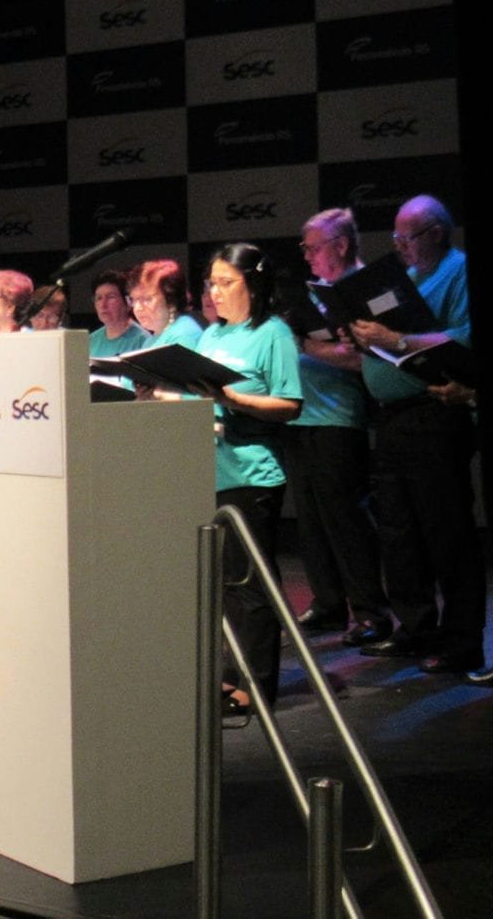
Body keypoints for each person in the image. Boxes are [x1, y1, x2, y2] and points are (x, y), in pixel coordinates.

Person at [350, 195, 484, 674]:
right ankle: (415, 628)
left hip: (435, 412)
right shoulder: (407, 277)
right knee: (399, 532)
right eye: (395, 237)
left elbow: (464, 336)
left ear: (436, 233)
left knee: (446, 532)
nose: (399, 245)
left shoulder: (458, 271)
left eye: (407, 237)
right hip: (391, 418)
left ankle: (462, 641)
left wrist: (396, 340)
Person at [187, 243, 302, 712]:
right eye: (211, 283)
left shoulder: (273, 333)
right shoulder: (211, 335)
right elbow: (195, 397)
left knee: (251, 585)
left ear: (252, 283)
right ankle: (229, 676)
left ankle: (255, 686)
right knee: (224, 585)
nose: (215, 292)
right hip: (209, 471)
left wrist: (236, 400)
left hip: (251, 474)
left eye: (225, 282)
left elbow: (290, 404)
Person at [283, 210, 389, 647]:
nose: (307, 256)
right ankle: (328, 604)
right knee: (311, 522)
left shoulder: (364, 289)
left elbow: (364, 358)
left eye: (314, 248)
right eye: (304, 249)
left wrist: (305, 344)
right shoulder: (318, 291)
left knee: (346, 520)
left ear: (341, 246)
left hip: (338, 418)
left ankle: (370, 611)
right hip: (301, 416)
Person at [125, 260, 202, 350]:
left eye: (147, 299)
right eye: (133, 300)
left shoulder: (183, 334)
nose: (137, 308)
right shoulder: (149, 341)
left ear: (171, 300)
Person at [88, 269, 149, 357]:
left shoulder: (143, 341)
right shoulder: (91, 341)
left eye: (110, 297)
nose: (103, 305)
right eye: (99, 298)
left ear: (128, 302)